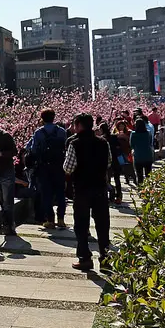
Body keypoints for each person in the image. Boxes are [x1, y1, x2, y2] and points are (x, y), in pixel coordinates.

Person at [63, 114, 111, 271]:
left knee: (81, 225)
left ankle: (85, 258)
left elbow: (68, 168)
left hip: (82, 189)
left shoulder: (74, 143)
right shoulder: (103, 143)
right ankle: (105, 259)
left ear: (78, 126)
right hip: (100, 188)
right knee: (102, 225)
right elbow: (109, 162)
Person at [29, 108, 68, 230]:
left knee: (46, 194)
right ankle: (61, 219)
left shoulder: (39, 132)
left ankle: (50, 220)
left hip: (44, 167)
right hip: (59, 166)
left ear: (42, 118)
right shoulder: (61, 131)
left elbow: (33, 150)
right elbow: (65, 147)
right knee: (60, 193)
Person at [100, 123, 123, 204]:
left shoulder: (102, 139)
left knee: (107, 179)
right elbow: (119, 146)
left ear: (102, 130)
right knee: (117, 179)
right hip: (115, 160)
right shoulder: (113, 137)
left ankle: (110, 196)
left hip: (106, 161)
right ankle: (119, 195)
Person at [130, 119, 154, 185]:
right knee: (148, 175)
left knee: (139, 175)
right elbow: (150, 142)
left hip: (138, 156)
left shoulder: (133, 134)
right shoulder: (148, 133)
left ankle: (141, 188)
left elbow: (132, 145)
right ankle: (149, 188)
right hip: (148, 155)